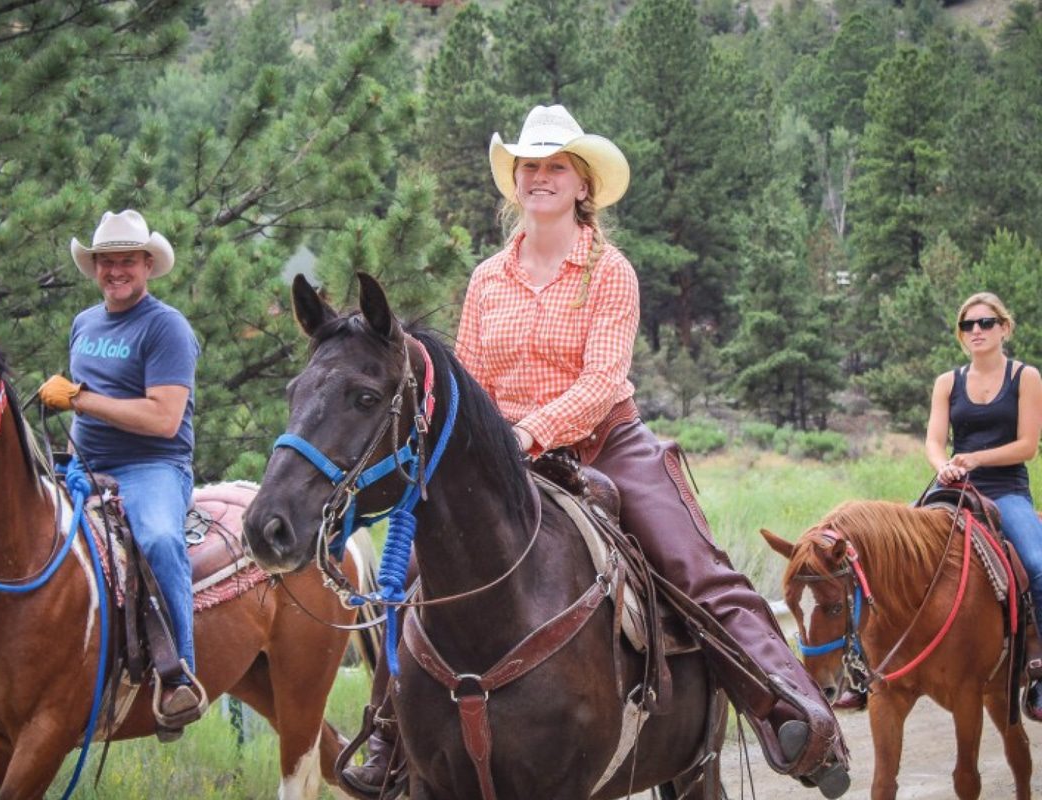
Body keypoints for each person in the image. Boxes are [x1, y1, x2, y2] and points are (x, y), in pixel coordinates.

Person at [341, 105, 850, 798]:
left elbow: (602, 380)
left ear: (582, 186)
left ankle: (793, 712)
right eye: (530, 167)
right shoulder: (489, 278)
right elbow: (468, 382)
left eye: (555, 166)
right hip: (498, 458)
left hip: (605, 441)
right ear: (515, 182)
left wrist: (524, 433)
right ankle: (392, 736)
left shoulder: (609, 271)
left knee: (693, 565)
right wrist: (480, 443)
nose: (540, 177)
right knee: (420, 561)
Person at [39, 209, 205, 737]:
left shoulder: (167, 328)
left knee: (158, 539)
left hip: (152, 466)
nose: (115, 271)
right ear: (94, 267)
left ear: (148, 265)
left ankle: (180, 677)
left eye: (126, 260)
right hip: (86, 464)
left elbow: (163, 419)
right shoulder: (83, 324)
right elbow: (79, 414)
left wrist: (81, 400)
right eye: (106, 262)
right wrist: (66, 458)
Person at [925, 291, 1042, 720]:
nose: (976, 330)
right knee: (891, 553)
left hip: (1006, 490)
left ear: (1004, 328)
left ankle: (1040, 670)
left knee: (1037, 562)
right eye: (968, 325)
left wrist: (975, 458)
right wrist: (944, 467)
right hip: (955, 490)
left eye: (986, 323)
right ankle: (874, 670)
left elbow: (1027, 446)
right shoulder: (947, 382)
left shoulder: (1025, 377)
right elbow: (935, 443)